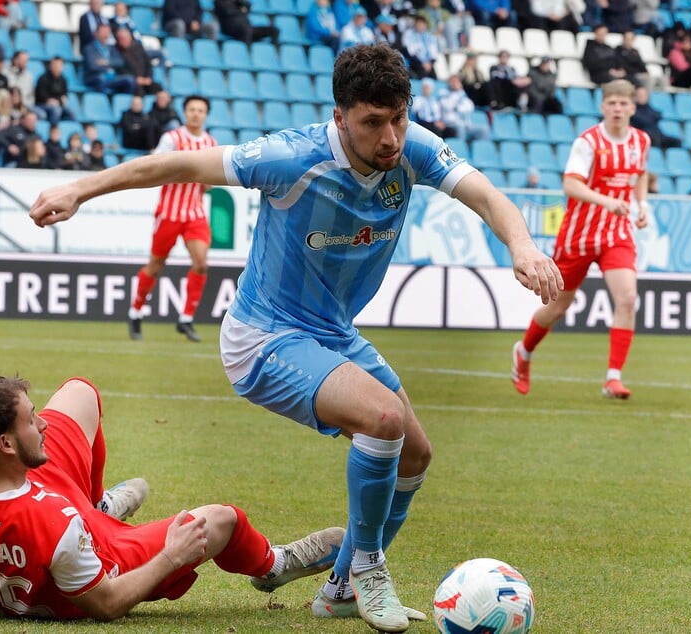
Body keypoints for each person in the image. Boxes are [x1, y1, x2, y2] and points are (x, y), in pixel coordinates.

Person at [28, 44, 561, 633]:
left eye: (399, 118)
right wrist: (79, 190)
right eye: (373, 123)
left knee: (415, 451)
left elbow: (486, 195)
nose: (390, 137)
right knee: (383, 420)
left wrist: (523, 245)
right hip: (264, 337)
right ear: (340, 118)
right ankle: (368, 568)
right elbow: (173, 167)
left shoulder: (413, 150)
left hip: (334, 333)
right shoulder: (289, 157)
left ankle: (337, 589)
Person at [0, 375, 343, 620]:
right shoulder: (54, 524)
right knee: (219, 521)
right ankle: (271, 565)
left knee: (79, 391)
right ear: (7, 443)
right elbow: (106, 605)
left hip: (42, 505)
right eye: (31, 419)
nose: (42, 423)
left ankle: (97, 502)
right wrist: (171, 556)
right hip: (87, 555)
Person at [511, 79, 648, 401]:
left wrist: (643, 206)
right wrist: (607, 201)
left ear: (632, 107)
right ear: (602, 107)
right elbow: (571, 185)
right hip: (580, 235)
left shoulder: (641, 141)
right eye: (611, 102)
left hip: (617, 234)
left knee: (627, 299)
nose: (617, 108)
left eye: (622, 103)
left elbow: (639, 175)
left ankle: (613, 378)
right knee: (558, 306)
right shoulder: (588, 142)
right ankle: (524, 351)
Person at [127, 95, 216, 342]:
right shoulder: (172, 139)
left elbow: (209, 184)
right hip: (170, 211)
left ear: (206, 114)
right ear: (185, 113)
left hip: (195, 213)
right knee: (155, 265)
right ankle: (135, 311)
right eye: (192, 109)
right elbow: (154, 167)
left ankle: (186, 319)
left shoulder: (210, 142)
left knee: (201, 263)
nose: (196, 114)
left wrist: (206, 180)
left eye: (200, 110)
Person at [629, 85, 681, 149]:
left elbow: (658, 114)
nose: (642, 97)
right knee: (654, 138)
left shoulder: (649, 107)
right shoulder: (634, 110)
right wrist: (650, 118)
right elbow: (644, 120)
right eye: (640, 95)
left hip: (658, 134)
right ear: (636, 97)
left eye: (644, 95)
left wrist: (649, 118)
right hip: (644, 135)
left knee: (676, 141)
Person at [214, 0, 279, 45]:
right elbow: (227, 12)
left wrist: (239, 2)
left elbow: (248, 5)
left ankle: (274, 51)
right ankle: (248, 52)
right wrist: (241, 10)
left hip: (248, 28)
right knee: (246, 31)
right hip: (230, 29)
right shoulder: (220, 2)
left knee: (274, 30)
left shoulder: (237, 3)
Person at [35, 57, 78, 124]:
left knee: (72, 112)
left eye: (59, 65)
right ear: (51, 65)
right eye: (55, 64)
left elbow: (64, 95)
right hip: (42, 104)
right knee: (56, 110)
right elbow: (41, 96)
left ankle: (65, 130)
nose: (57, 67)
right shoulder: (43, 78)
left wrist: (62, 100)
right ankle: (53, 130)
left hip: (58, 104)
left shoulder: (63, 79)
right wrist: (48, 100)